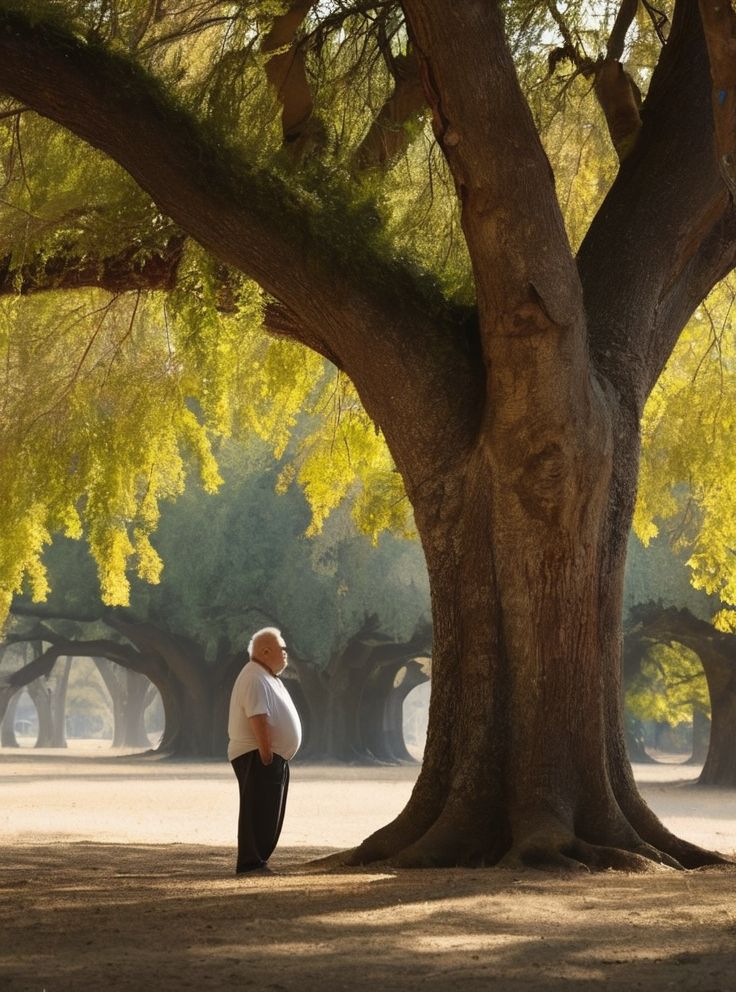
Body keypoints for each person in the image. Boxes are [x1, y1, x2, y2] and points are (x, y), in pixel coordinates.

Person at [227, 626, 302, 875]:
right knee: (256, 809)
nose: (285, 654)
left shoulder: (266, 675)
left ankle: (259, 860)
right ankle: (251, 862)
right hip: (256, 755)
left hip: (267, 756)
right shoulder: (253, 677)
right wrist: (266, 753)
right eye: (282, 649)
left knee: (269, 810)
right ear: (266, 650)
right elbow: (257, 716)